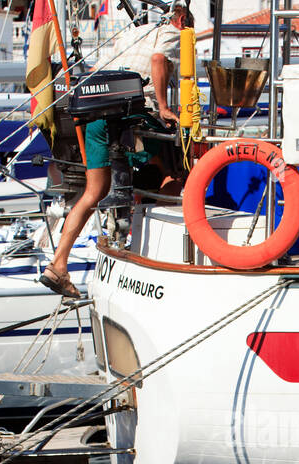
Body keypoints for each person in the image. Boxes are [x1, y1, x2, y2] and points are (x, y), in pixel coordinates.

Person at [39, 0, 193, 297]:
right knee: (178, 175)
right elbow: (160, 60)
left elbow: (96, 72)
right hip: (129, 118)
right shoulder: (173, 32)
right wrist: (163, 107)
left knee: (92, 193)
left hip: (94, 119)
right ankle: (152, 253)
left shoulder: (131, 34)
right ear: (182, 19)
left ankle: (58, 264)